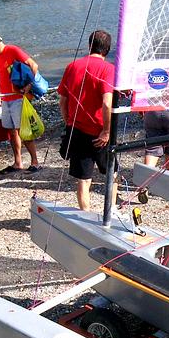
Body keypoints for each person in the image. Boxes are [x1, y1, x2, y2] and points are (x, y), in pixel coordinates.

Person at [57, 29, 117, 212]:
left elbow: (62, 101)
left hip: (77, 130)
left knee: (83, 180)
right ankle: (111, 212)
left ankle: (85, 215)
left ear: (89, 45)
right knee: (112, 174)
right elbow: (107, 103)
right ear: (107, 49)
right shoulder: (108, 69)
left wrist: (69, 122)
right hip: (99, 133)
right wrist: (106, 131)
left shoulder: (72, 66)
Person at [0, 31, 41, 172]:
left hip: (18, 98)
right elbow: (2, 77)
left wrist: (29, 86)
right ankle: (18, 162)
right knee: (12, 132)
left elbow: (33, 65)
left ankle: (35, 162)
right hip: (6, 98)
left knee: (23, 131)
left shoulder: (12, 50)